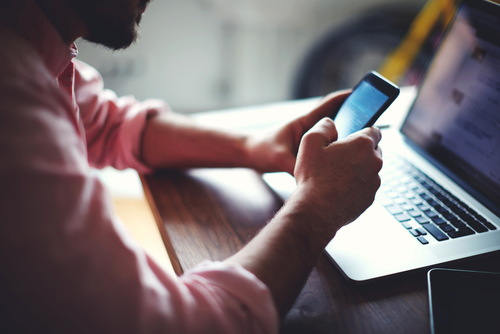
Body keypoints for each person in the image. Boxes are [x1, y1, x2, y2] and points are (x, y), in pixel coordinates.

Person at [0, 0, 383, 333]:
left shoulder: (28, 39)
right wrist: (317, 209)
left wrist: (257, 146)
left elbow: (105, 123)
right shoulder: (12, 91)